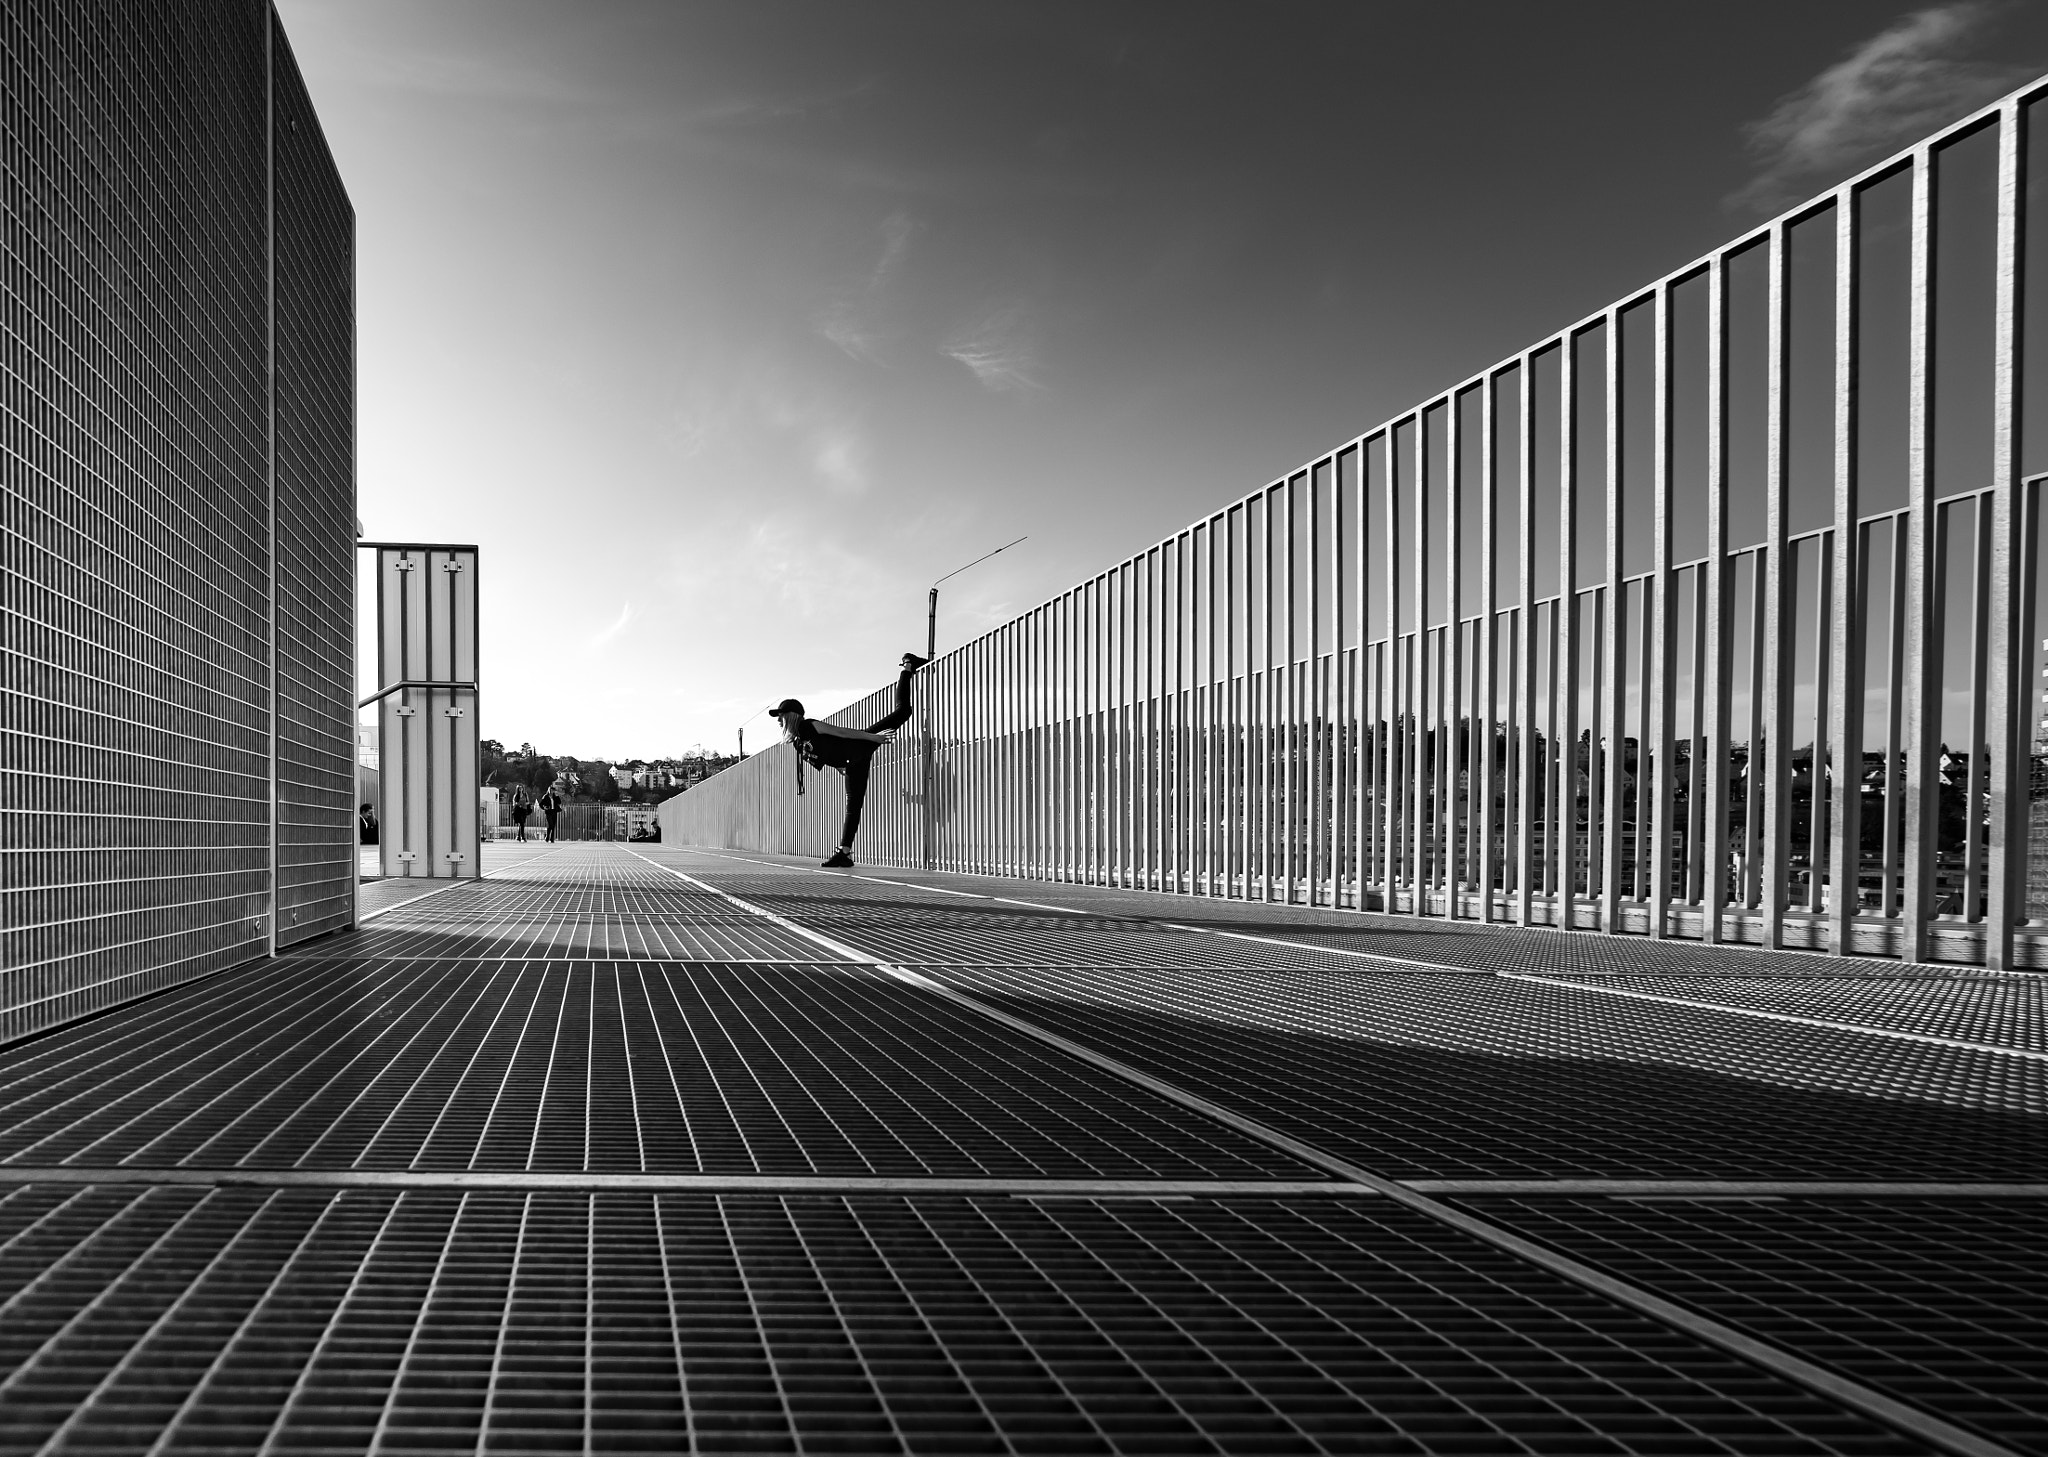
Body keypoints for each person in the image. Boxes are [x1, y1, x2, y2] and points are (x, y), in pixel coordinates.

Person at [769, 653, 925, 869]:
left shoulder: (809, 726)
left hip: (858, 744)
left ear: (792, 716)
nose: (778, 719)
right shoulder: (797, 743)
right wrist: (842, 766)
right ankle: (844, 853)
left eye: (781, 715)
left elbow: (841, 733)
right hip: (853, 762)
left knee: (903, 712)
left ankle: (907, 665)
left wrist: (873, 738)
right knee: (853, 807)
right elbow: (825, 757)